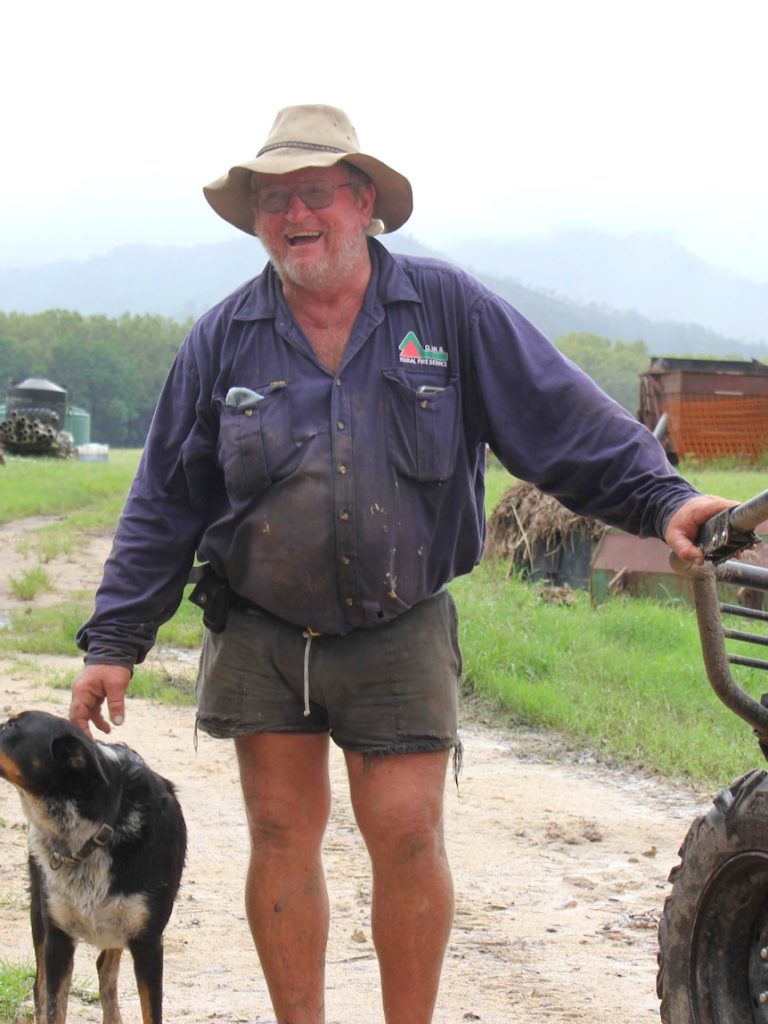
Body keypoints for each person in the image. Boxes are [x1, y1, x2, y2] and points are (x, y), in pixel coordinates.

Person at [70, 104, 733, 1024]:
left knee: (410, 836)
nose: (294, 215)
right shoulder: (224, 338)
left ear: (365, 201)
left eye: (314, 194)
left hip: (401, 624)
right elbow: (165, 499)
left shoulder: (449, 310)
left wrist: (666, 501)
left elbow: (561, 419)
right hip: (260, 627)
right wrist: (115, 640)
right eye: (272, 200)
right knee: (279, 834)